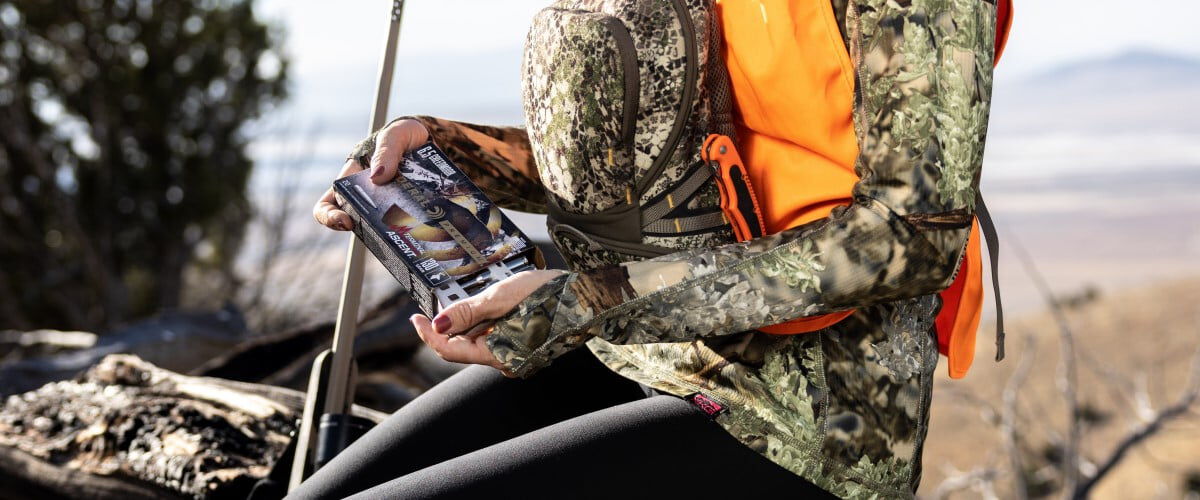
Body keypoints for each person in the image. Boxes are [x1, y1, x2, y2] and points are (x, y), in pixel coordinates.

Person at [296, 0, 1005, 498]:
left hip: (801, 428)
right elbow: (622, 166)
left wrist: (584, 304)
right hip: (638, 349)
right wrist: (442, 154)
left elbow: (910, 237)